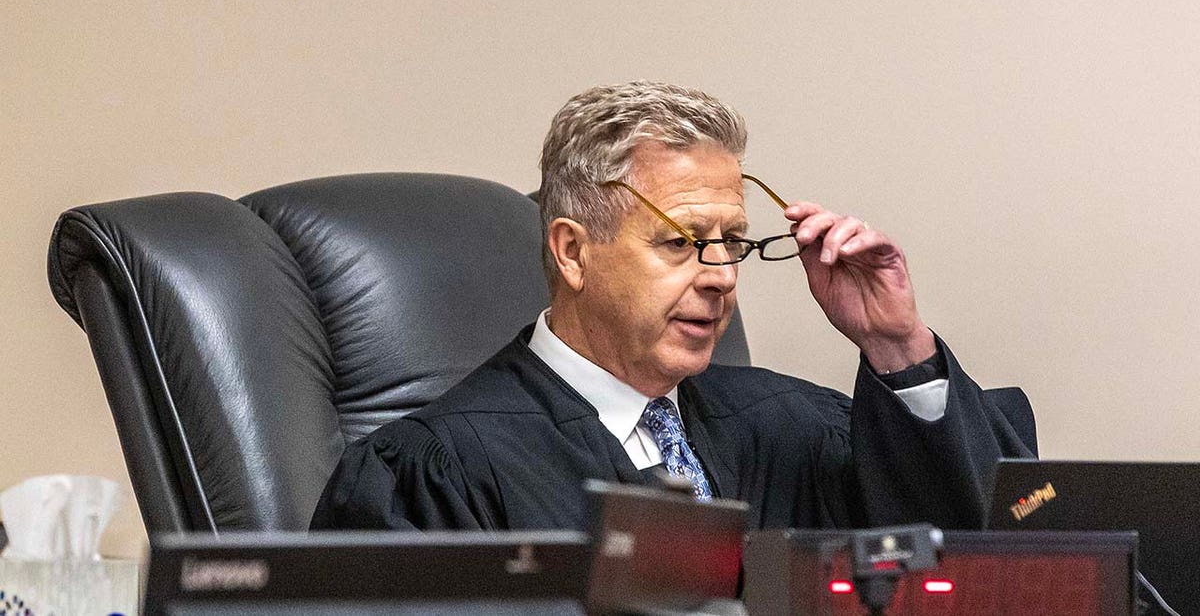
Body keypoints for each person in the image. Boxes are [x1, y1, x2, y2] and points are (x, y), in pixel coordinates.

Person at [311, 81, 1035, 532]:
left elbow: (977, 546)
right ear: (573, 251)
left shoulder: (786, 426)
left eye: (732, 242)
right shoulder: (438, 473)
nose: (721, 274)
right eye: (682, 242)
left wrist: (895, 343)